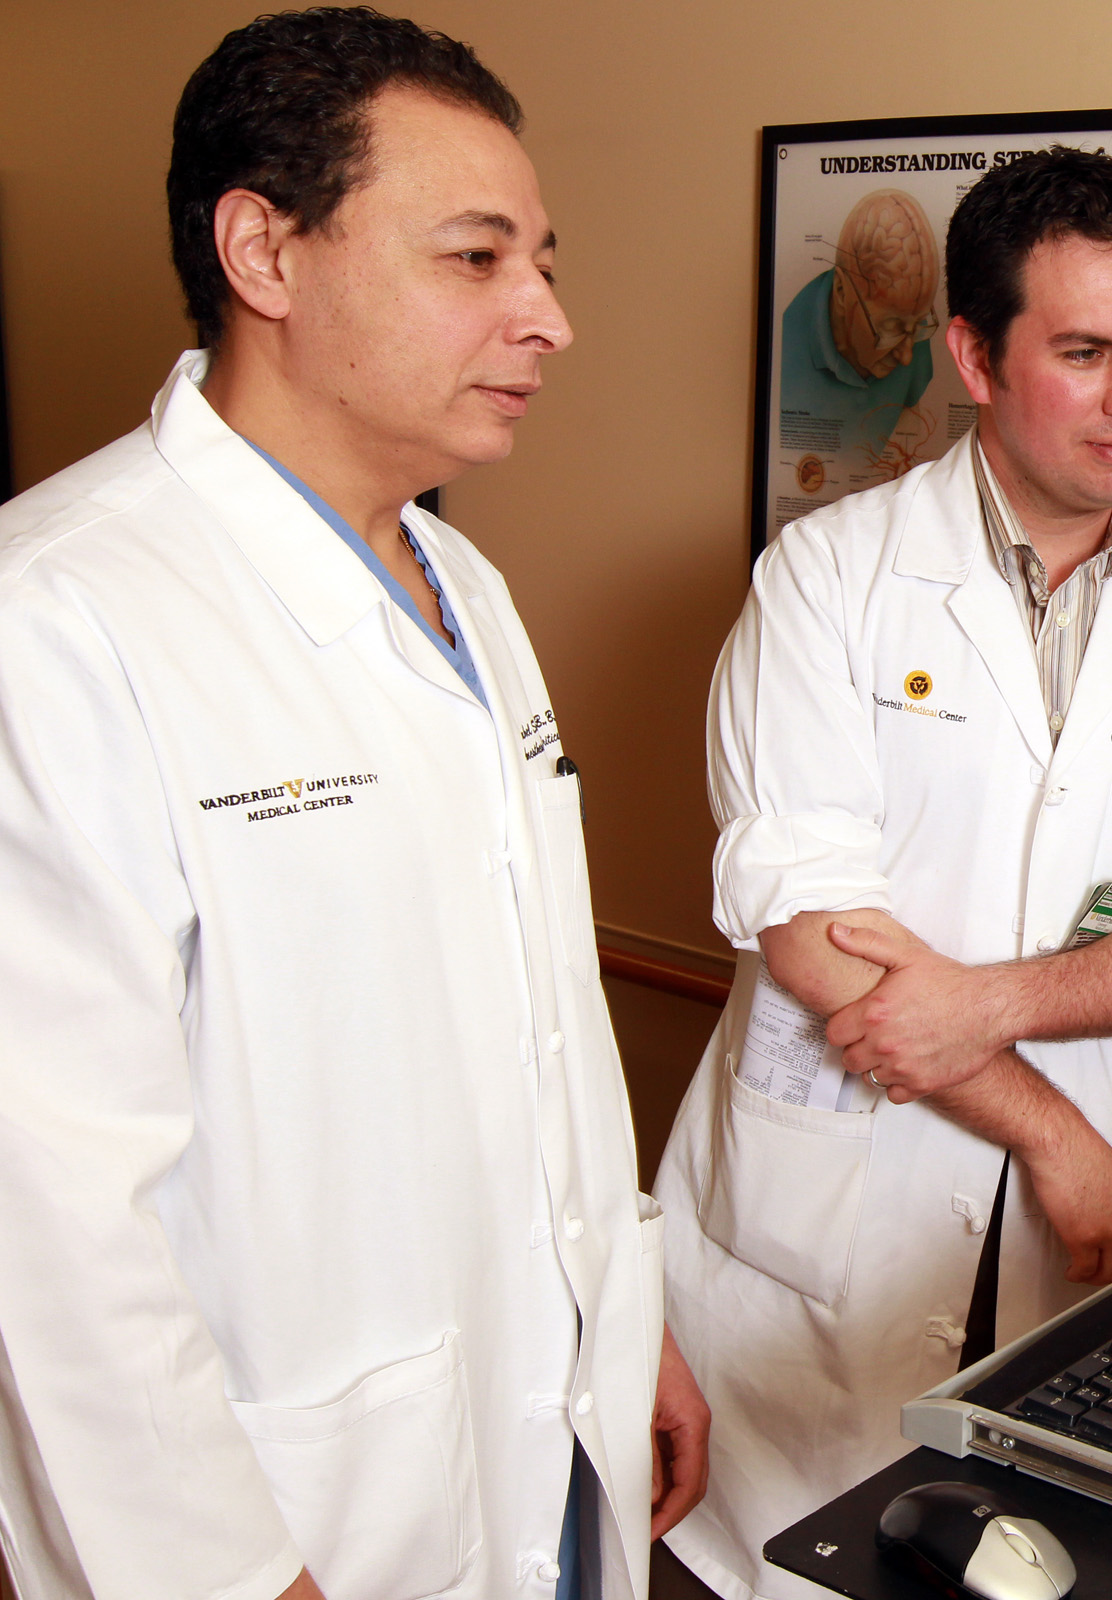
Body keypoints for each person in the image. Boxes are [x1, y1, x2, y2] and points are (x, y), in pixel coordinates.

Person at [0, 13, 708, 1598]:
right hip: (292, 1507)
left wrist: (621, 1318)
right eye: (476, 259)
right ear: (264, 251)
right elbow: (43, 1209)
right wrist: (230, 1577)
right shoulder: (53, 620)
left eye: (542, 263)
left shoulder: (464, 584)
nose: (549, 319)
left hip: (549, 1419)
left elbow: (540, 1023)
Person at [655, 147, 1112, 1599]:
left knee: (1036, 1559)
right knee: (791, 1559)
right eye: (1083, 353)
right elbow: (811, 925)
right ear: (973, 356)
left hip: (1079, 1236)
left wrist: (982, 1006)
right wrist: (1053, 1135)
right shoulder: (827, 577)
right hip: (839, 1200)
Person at [778, 188, 941, 464]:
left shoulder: (914, 341)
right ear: (842, 292)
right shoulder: (784, 348)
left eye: (918, 325)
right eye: (891, 327)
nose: (907, 357)